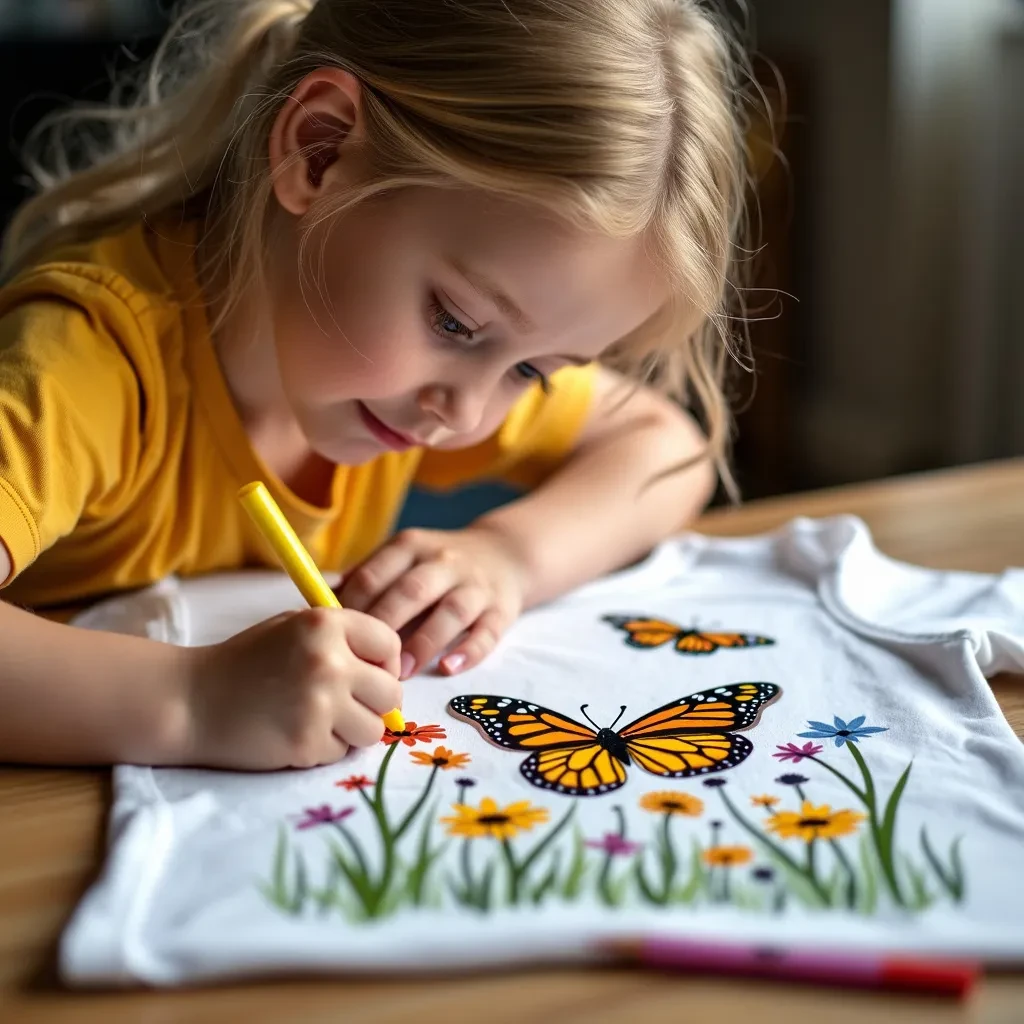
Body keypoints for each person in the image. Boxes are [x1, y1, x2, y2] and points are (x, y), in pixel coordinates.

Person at [0, 0, 750, 769]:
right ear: (318, 152)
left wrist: (508, 558)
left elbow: (666, 450)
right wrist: (192, 702)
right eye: (455, 322)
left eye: (531, 371)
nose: (466, 415)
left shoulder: (392, 385)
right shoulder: (91, 362)